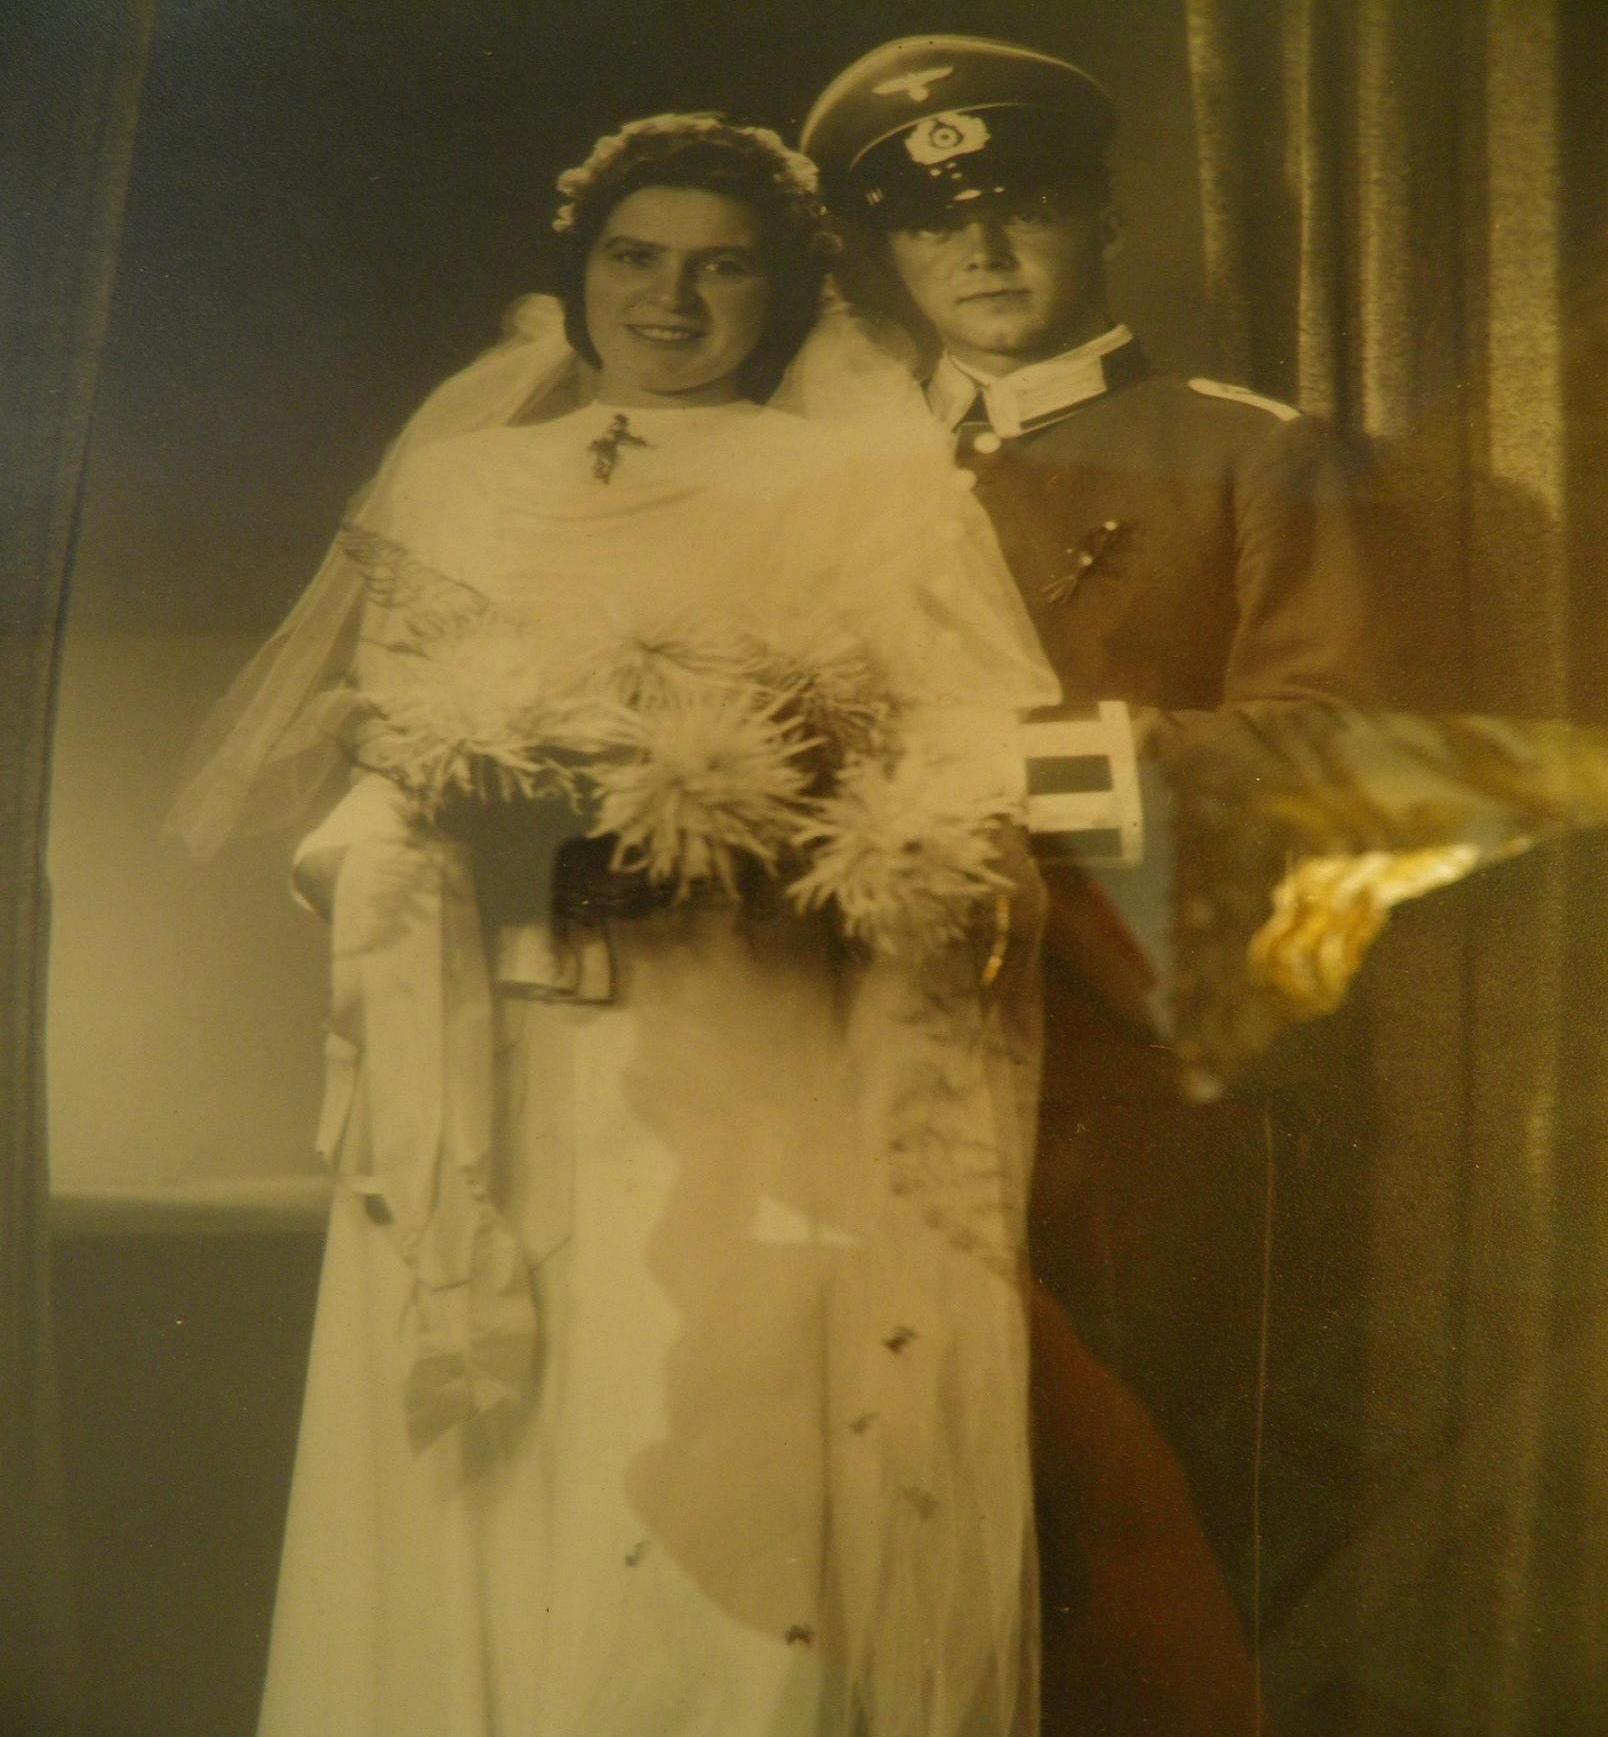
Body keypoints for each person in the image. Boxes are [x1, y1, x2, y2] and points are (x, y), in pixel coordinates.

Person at [168, 115, 1063, 1737]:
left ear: (786, 294)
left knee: (699, 1425)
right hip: (492, 1021)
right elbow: (386, 751)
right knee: (493, 1426)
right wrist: (444, 811)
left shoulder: (861, 483)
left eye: (725, 269)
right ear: (578, 273)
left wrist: (752, 831)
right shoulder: (459, 479)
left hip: (734, 1029)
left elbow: (960, 766)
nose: (671, 300)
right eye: (635, 259)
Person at [802, 33, 1388, 1735]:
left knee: (1144, 1521)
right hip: (864, 1058)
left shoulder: (1252, 452)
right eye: (934, 224)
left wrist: (1019, 764)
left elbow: (1330, 747)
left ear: (1104, 218)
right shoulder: (835, 475)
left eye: (1026, 205)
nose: (982, 251)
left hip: (1132, 1068)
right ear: (886, 255)